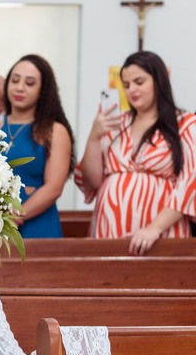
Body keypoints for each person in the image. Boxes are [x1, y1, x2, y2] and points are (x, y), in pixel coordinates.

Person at [78, 50, 196, 253]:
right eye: (126, 85)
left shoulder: (185, 123)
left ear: (159, 81)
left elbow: (190, 183)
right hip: (109, 229)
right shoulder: (116, 123)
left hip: (161, 234)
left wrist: (154, 229)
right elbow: (93, 181)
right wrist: (94, 137)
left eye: (139, 82)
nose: (131, 90)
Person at [3, 55, 74, 238]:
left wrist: (15, 215)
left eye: (29, 83)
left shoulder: (54, 131)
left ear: (43, 90)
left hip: (36, 223)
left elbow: (53, 188)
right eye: (15, 80)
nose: (20, 87)